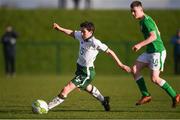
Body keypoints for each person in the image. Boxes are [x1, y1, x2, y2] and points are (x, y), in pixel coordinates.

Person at [48, 21, 131, 111]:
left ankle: (47, 108)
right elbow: (71, 33)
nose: (82, 33)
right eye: (81, 31)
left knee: (66, 89)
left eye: (84, 31)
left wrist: (121, 64)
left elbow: (110, 52)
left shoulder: (95, 42)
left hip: (86, 72)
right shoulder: (81, 35)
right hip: (80, 68)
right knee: (87, 87)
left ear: (91, 32)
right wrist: (59, 28)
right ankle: (104, 100)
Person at [130, 1, 180, 108]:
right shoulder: (143, 20)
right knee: (134, 69)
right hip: (150, 51)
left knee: (155, 79)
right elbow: (158, 33)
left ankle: (175, 95)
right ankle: (146, 95)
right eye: (131, 12)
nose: (133, 14)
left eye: (134, 11)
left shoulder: (146, 21)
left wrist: (139, 45)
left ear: (140, 9)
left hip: (157, 52)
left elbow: (154, 37)